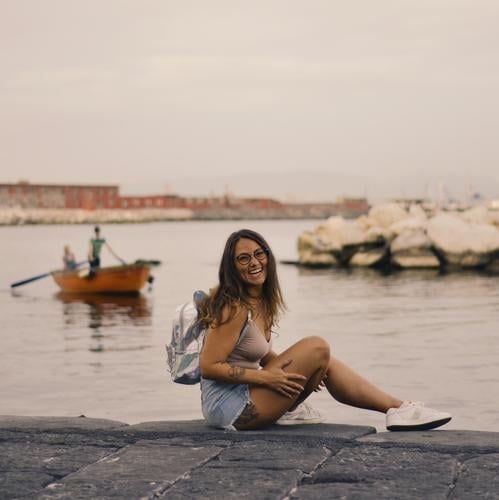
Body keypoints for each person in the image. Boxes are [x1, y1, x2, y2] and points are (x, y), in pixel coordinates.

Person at [198, 228, 452, 431]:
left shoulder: (261, 302)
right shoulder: (233, 307)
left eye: (259, 254)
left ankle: (397, 409)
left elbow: (261, 356)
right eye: (244, 258)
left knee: (324, 360)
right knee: (317, 345)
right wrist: (266, 377)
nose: (254, 262)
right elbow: (209, 366)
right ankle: (398, 409)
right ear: (232, 266)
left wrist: (308, 368)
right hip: (229, 408)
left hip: (248, 396)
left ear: (268, 256)